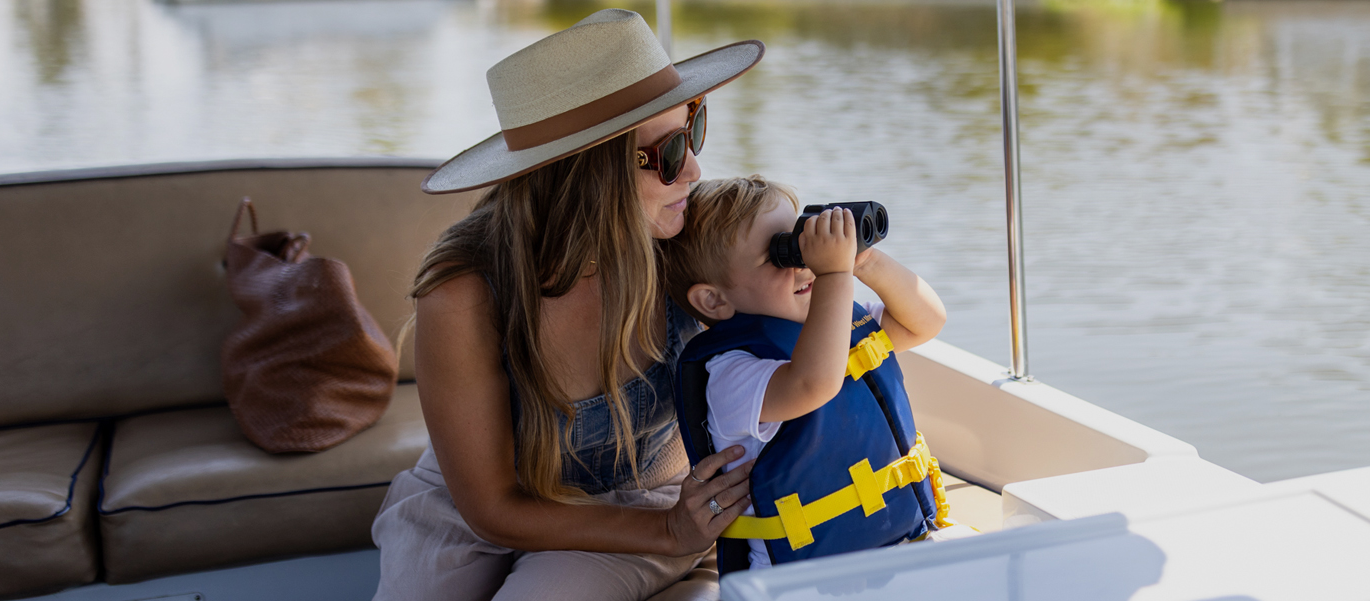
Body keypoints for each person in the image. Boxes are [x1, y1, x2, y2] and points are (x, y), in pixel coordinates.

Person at [371, 10, 764, 601]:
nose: (694, 170)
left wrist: (846, 261)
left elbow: (842, 334)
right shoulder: (465, 291)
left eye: (694, 128)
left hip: (645, 499)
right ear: (588, 174)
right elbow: (491, 506)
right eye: (669, 151)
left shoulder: (692, 248)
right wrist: (667, 530)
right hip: (476, 511)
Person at [657, 176, 958, 573]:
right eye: (781, 255)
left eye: (799, 241)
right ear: (714, 299)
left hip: (897, 546)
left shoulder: (831, 317)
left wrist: (862, 260)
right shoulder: (730, 374)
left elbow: (926, 322)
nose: (804, 263)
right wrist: (834, 276)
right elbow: (814, 383)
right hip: (796, 582)